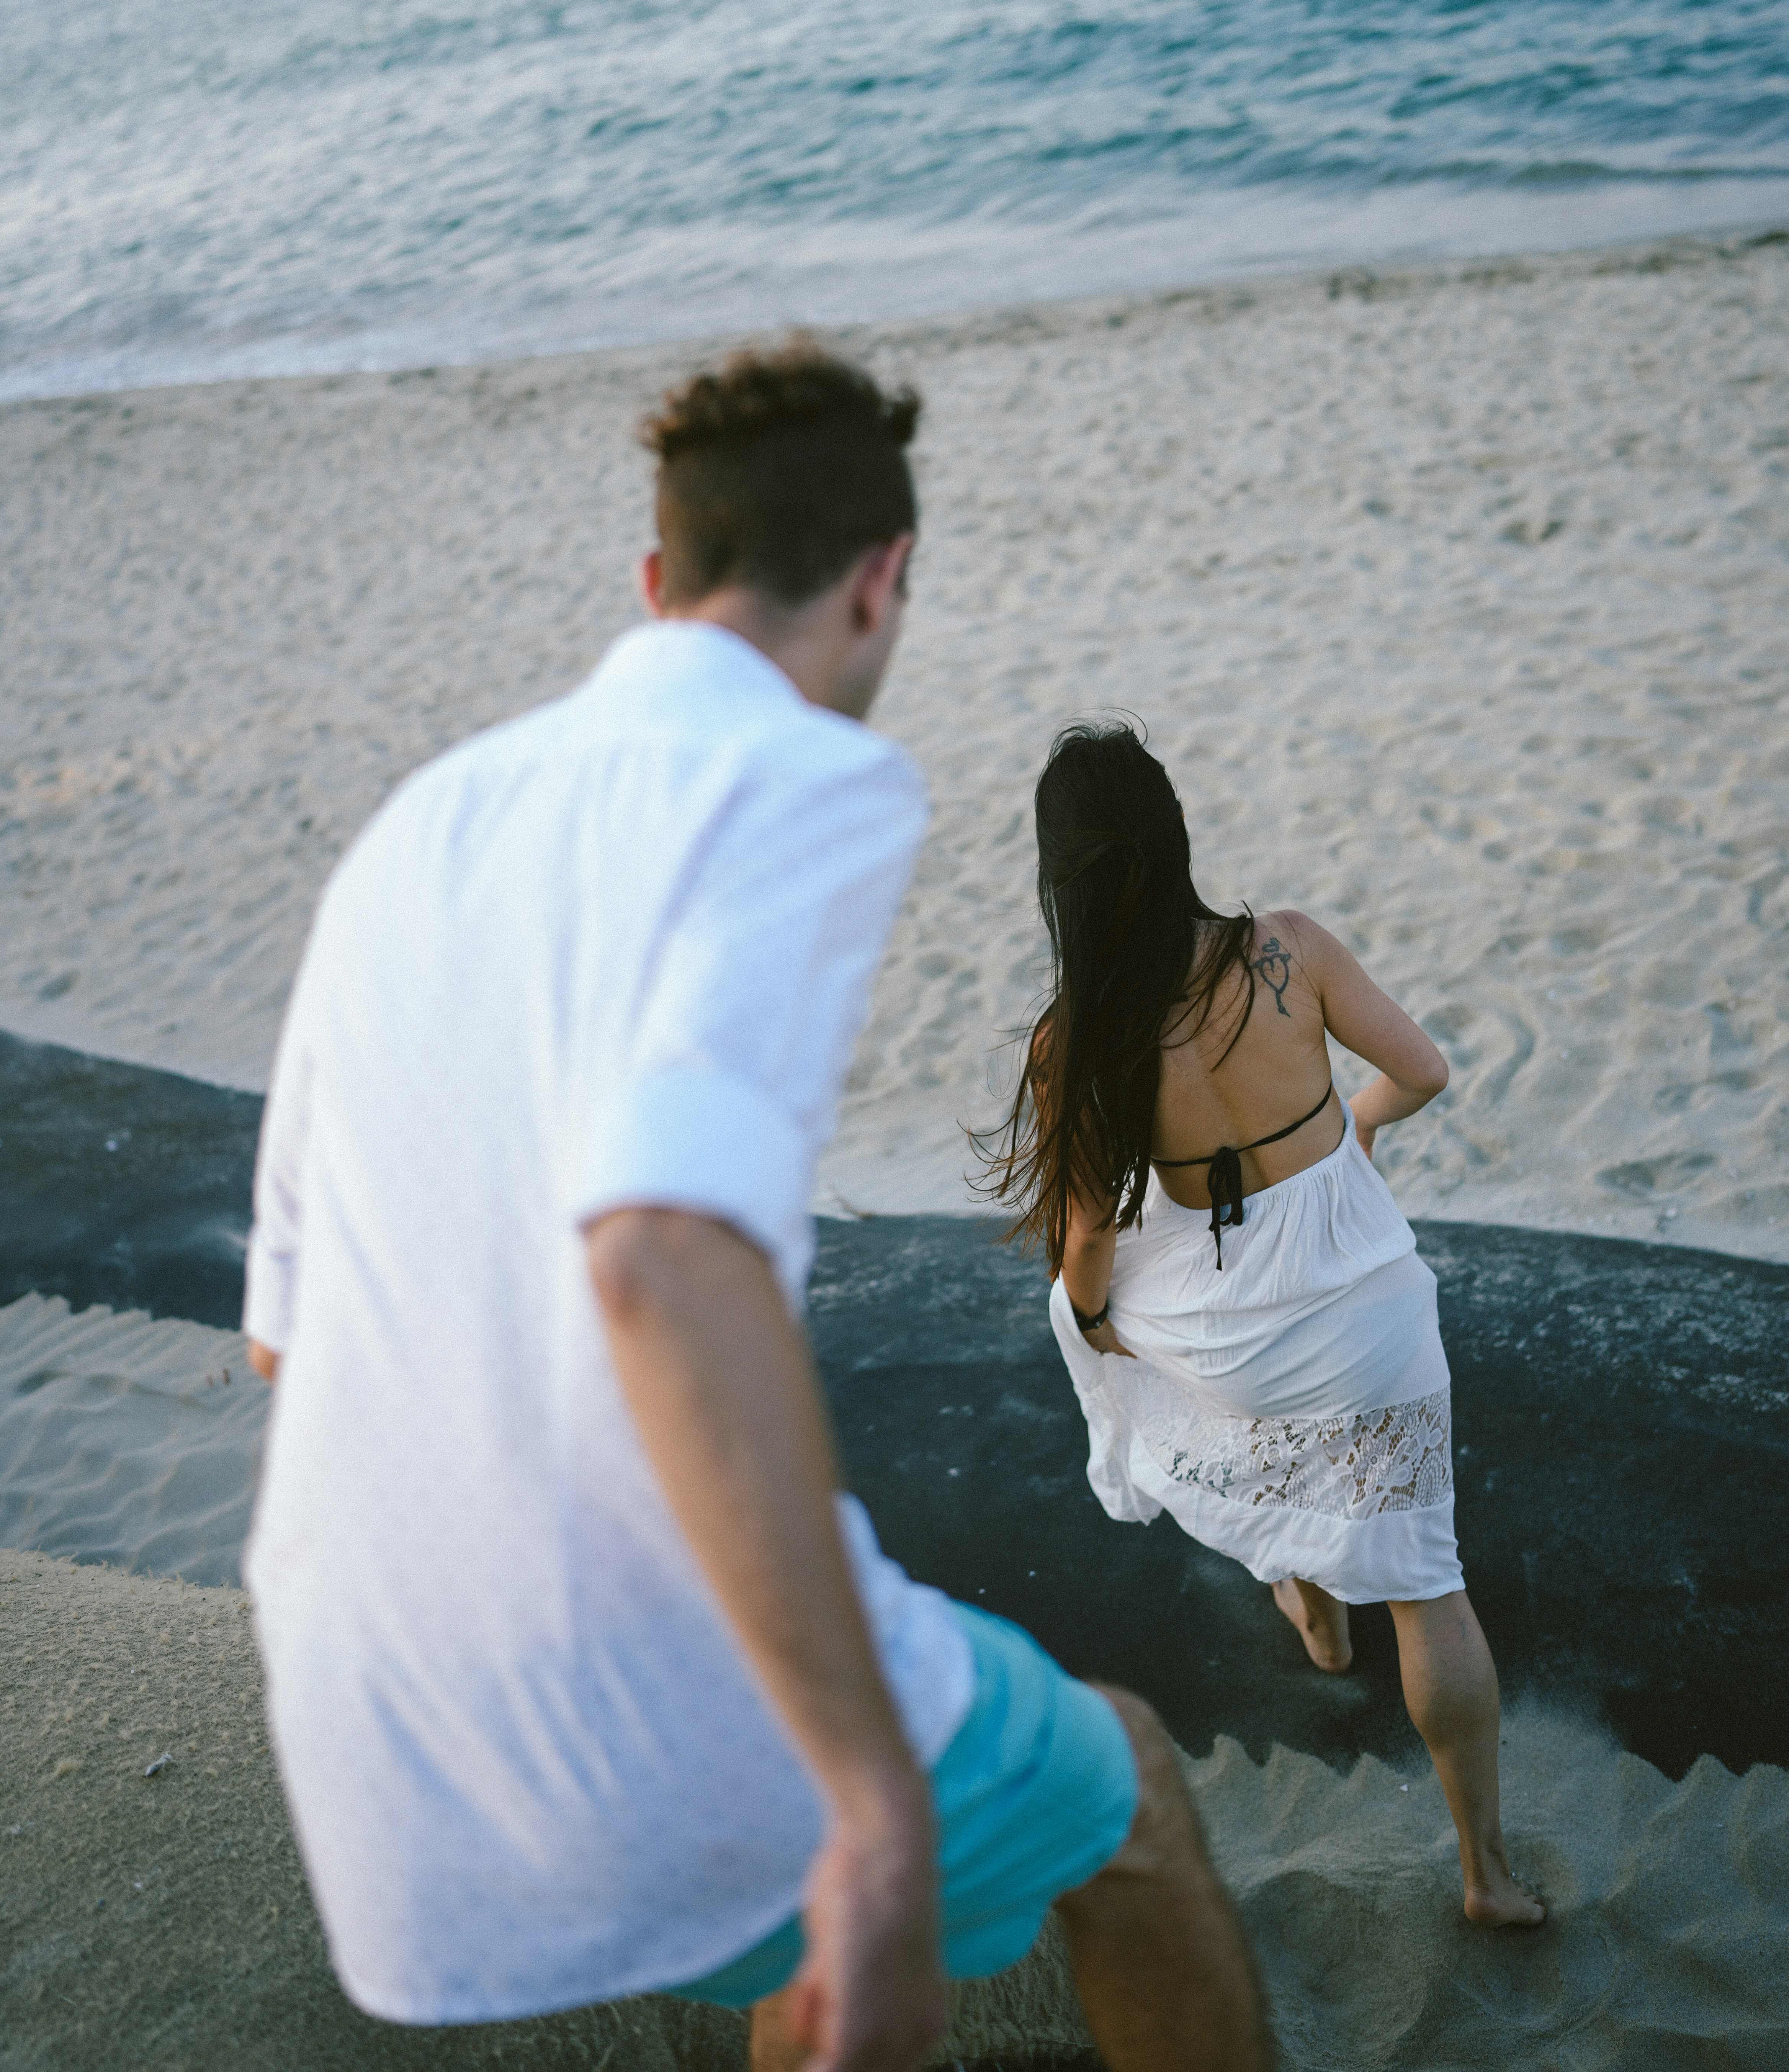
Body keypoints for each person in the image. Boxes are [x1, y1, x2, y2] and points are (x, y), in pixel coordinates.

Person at [242, 346, 1269, 2072]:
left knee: (808, 1977)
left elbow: (287, 1342)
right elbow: (656, 1252)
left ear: (652, 581)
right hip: (624, 1698)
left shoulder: (419, 827)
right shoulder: (797, 771)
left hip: (367, 1714)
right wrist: (871, 1807)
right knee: (1130, 1799)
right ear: (882, 585)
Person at [976, 721, 1545, 1933]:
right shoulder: (1287, 948)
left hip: (1236, 1331)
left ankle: (1309, 1598)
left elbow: (1085, 1242)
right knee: (1429, 1584)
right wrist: (1362, 1131)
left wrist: (1091, 1323)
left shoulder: (1078, 1036)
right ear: (1174, 833)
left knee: (1118, 1330)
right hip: (1367, 1313)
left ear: (1062, 883)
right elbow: (1426, 1069)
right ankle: (1487, 1876)